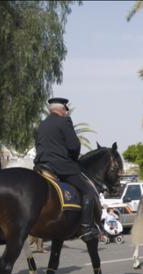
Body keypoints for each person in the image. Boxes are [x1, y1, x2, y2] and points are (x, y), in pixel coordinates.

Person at [34, 97, 99, 242]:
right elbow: (74, 146)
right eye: (65, 109)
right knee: (88, 191)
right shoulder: (65, 121)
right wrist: (73, 160)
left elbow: (38, 145)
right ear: (62, 109)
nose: (66, 112)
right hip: (61, 166)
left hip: (41, 166)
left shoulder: (42, 125)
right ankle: (87, 227)